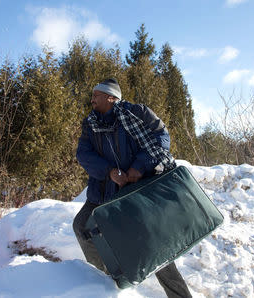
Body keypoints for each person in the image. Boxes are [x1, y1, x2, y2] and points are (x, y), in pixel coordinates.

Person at [73, 78, 192, 298]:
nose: (91, 100)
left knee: (154, 246)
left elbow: (161, 138)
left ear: (111, 97)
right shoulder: (89, 123)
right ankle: (106, 284)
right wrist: (109, 172)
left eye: (95, 96)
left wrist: (138, 167)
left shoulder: (138, 113)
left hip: (138, 190)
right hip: (103, 190)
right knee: (82, 226)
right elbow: (83, 153)